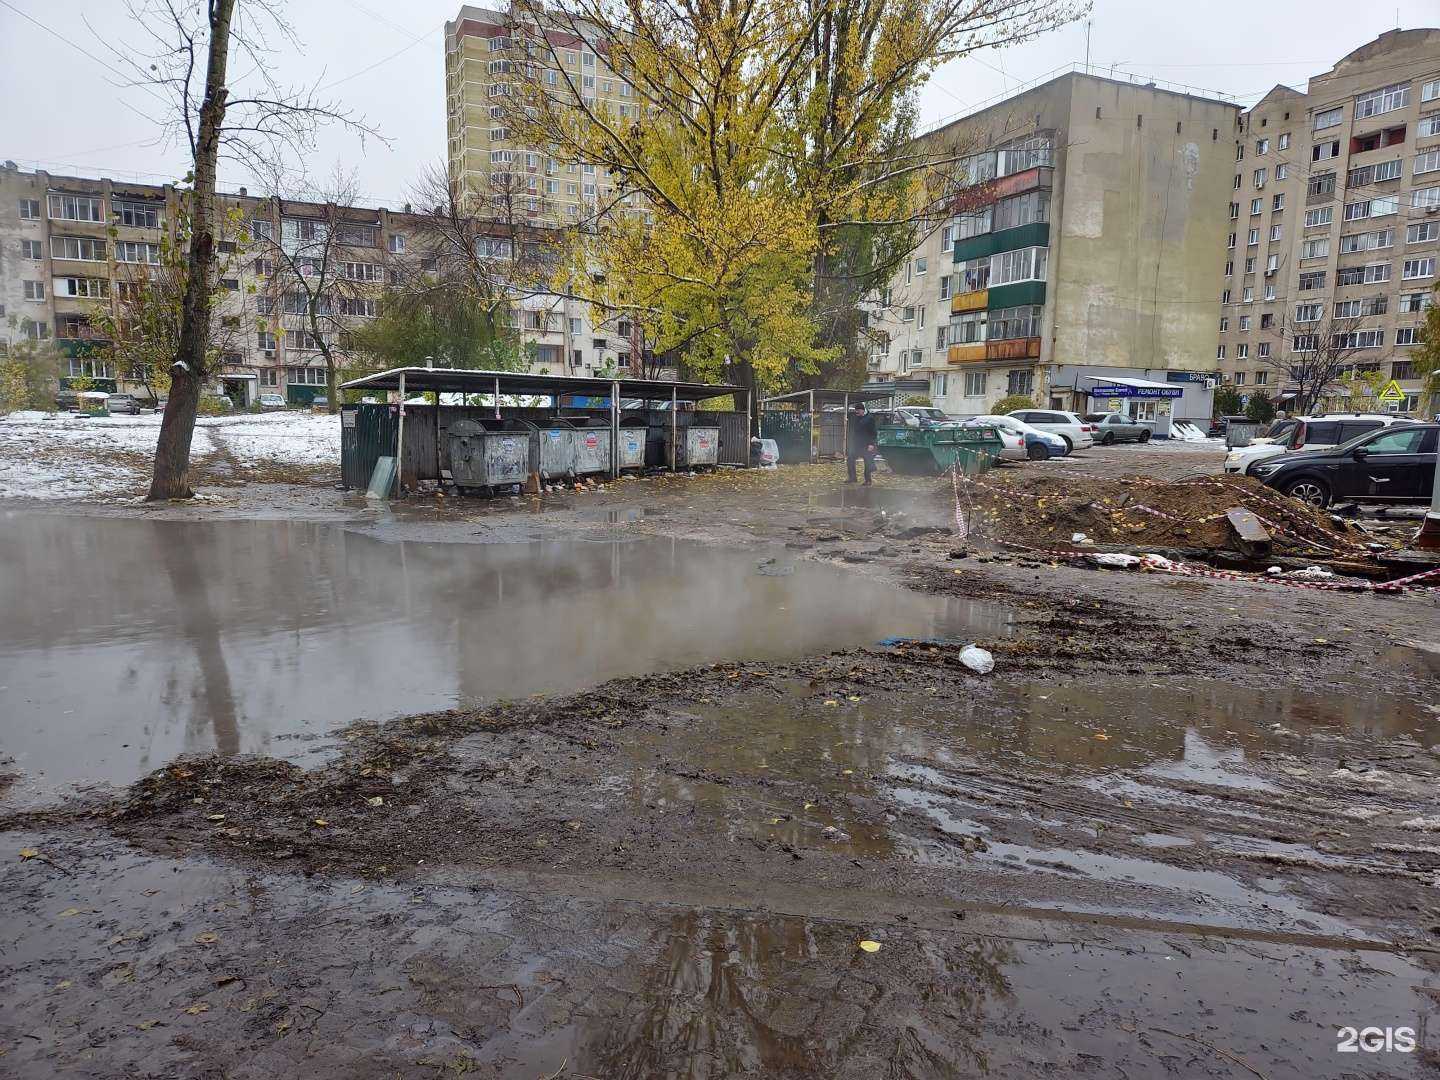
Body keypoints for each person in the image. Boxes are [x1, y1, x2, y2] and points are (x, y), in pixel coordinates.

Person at [846, 402, 878, 484]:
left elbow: (873, 432)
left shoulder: (869, 418)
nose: (856, 413)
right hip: (857, 444)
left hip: (867, 444)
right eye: (855, 411)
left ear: (862, 410)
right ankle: (852, 478)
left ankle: (868, 480)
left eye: (858, 411)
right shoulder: (857, 417)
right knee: (850, 459)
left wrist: (871, 444)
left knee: (867, 461)